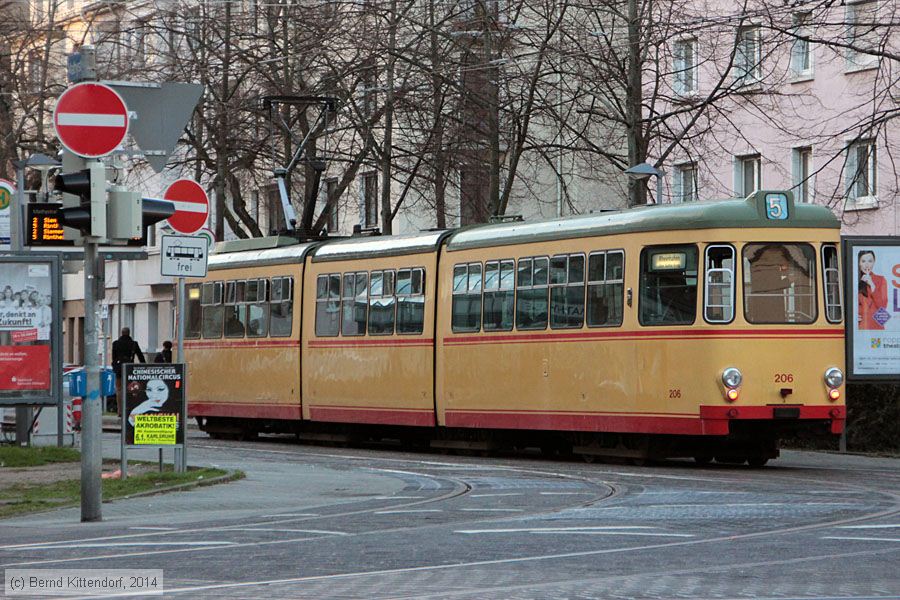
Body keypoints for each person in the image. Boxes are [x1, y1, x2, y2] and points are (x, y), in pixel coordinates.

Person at [110, 327, 146, 412]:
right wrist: (144, 367)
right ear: (129, 333)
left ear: (121, 333)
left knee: (119, 389)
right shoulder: (134, 344)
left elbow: (114, 357)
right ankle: (129, 408)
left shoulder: (115, 343)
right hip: (130, 368)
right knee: (131, 388)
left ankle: (120, 410)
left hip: (119, 368)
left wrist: (114, 365)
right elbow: (140, 356)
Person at [858, 250, 888, 330]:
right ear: (859, 263)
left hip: (876, 328)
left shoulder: (881, 280)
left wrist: (872, 284)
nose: (867, 265)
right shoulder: (854, 280)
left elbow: (883, 306)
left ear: (874, 262)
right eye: (863, 261)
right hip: (859, 328)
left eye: (870, 261)